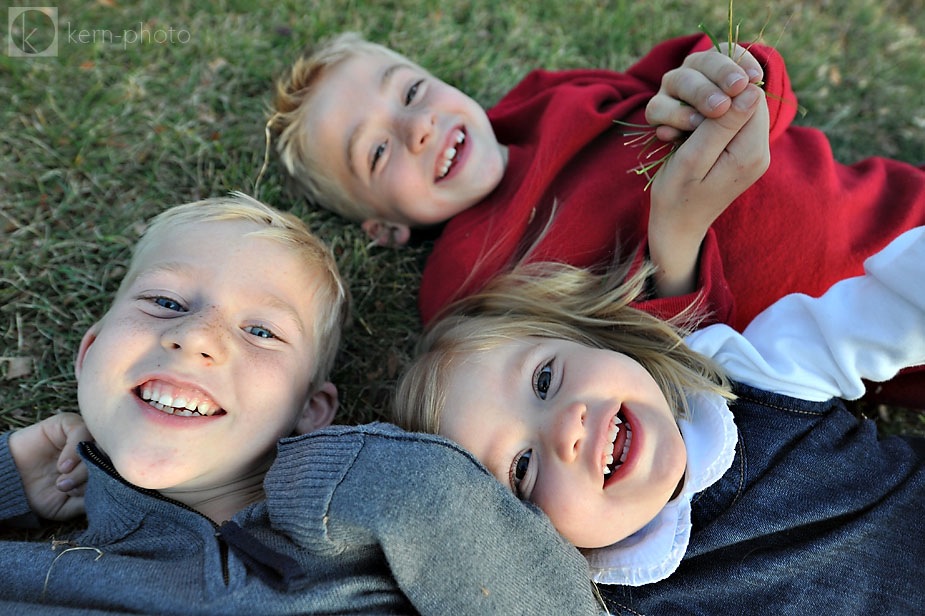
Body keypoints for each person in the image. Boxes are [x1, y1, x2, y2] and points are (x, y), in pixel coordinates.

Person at [0, 193, 603, 614]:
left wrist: (399, 484)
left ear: (313, 410)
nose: (197, 337)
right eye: (164, 301)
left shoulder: (394, 540)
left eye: (261, 331)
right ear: (90, 351)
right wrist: (11, 472)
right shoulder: (43, 585)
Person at [270, 31, 925, 407]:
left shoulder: (552, 97)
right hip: (848, 344)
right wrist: (677, 241)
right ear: (385, 229)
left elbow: (726, 79)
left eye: (411, 91)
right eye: (377, 152)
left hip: (891, 205)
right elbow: (644, 365)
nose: (417, 128)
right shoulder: (466, 280)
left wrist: (722, 83)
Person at [390, 225, 925, 614]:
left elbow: (890, 307)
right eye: (521, 467)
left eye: (545, 380)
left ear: (591, 339)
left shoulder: (752, 377)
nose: (566, 429)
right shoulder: (598, 604)